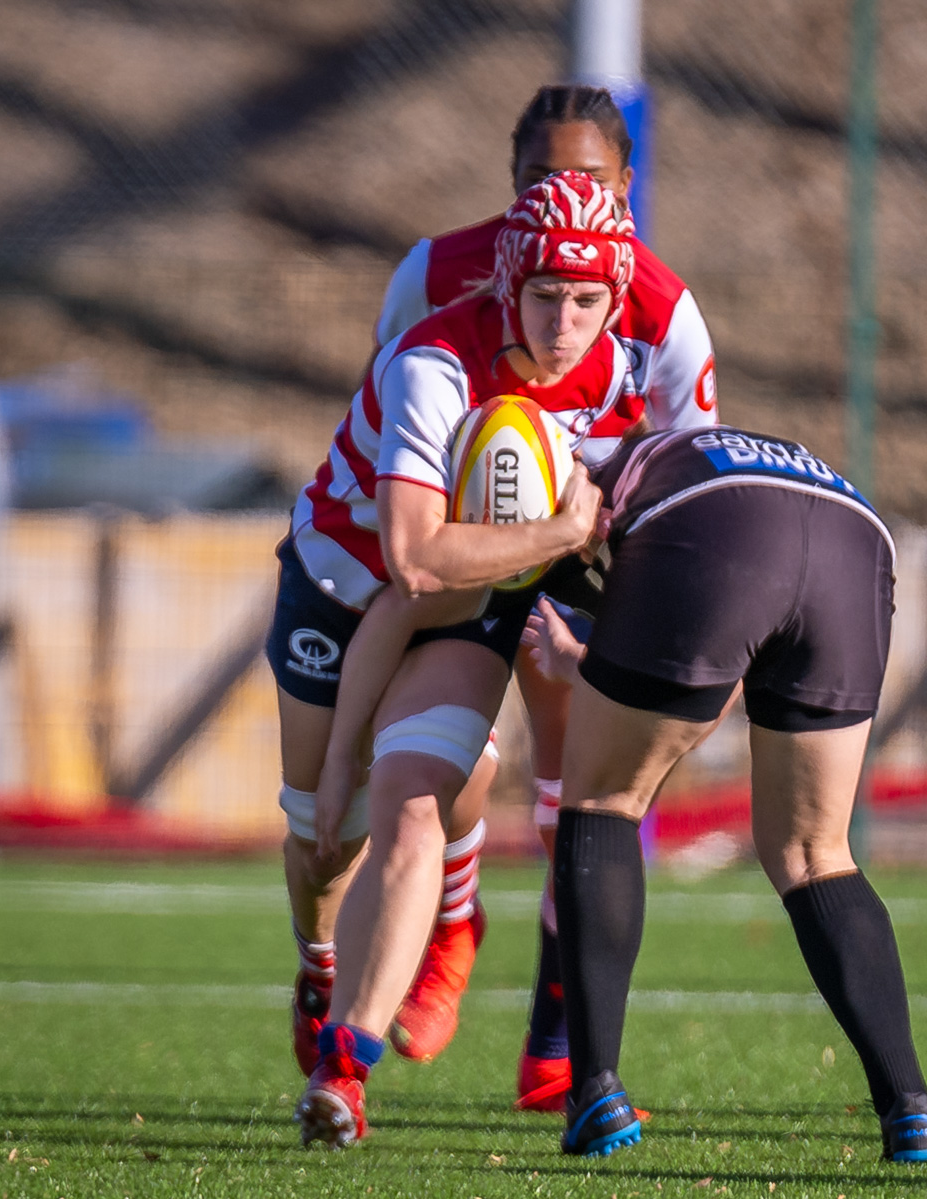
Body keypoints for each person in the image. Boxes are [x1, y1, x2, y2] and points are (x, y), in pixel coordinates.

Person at [371, 82, 719, 1107]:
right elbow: (387, 418)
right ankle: (453, 918)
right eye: (540, 178)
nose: (564, 195)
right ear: (512, 181)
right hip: (460, 545)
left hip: (588, 547)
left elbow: (687, 472)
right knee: (442, 753)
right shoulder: (437, 276)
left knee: (583, 778)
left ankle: (556, 1040)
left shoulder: (662, 306)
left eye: (591, 179)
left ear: (628, 182)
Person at [279, 171, 633, 1148]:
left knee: (413, 805)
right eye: (546, 295)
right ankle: (317, 957)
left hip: (466, 609)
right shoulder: (437, 359)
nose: (567, 322)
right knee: (319, 828)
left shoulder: (620, 376)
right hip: (338, 585)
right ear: (507, 282)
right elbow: (414, 557)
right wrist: (563, 532)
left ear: (618, 298)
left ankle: (348, 1065)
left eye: (590, 300)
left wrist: (594, 621)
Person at [527, 426, 927, 1165]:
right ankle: (909, 1106)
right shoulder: (688, 444)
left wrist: (579, 669)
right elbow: (712, 670)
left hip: (720, 521)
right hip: (857, 540)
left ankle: (594, 1087)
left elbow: (674, 601)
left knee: (600, 800)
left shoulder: (582, 470)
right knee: (815, 850)